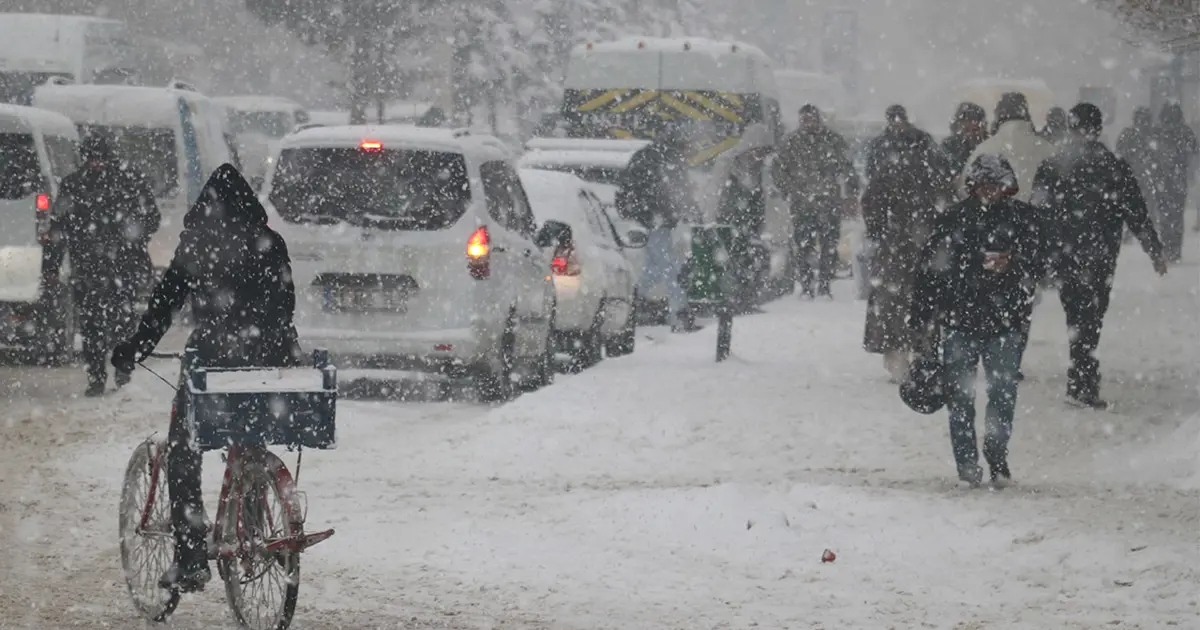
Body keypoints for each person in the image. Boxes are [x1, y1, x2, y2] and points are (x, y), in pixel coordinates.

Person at [110, 164, 302, 593]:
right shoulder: (271, 242)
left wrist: (135, 347)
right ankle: (251, 513)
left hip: (215, 360)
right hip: (264, 365)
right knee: (250, 431)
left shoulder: (199, 244)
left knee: (184, 450)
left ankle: (191, 556)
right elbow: (285, 306)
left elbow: (164, 305)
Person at [910, 154, 1045, 487]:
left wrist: (1012, 264)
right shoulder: (954, 220)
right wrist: (922, 318)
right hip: (965, 321)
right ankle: (968, 465)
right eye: (983, 185)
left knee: (1001, 396)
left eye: (994, 185)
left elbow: (1042, 262)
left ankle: (996, 458)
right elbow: (930, 272)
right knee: (963, 399)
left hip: (1001, 322)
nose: (989, 191)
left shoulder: (1022, 219)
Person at [1031, 103, 1169, 409]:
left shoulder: (1053, 165)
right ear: (1097, 129)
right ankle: (1083, 379)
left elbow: (1038, 212)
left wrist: (1038, 251)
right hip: (1100, 254)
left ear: (1071, 128)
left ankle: (1081, 376)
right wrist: (1153, 249)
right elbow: (1135, 210)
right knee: (1091, 316)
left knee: (1077, 314)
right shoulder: (1113, 166)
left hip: (1067, 254)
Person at [43, 132, 160, 397]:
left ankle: (121, 373)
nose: (97, 164)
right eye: (92, 159)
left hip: (121, 266)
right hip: (90, 268)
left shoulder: (128, 182)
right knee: (92, 325)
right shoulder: (75, 185)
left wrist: (132, 239)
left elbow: (151, 218)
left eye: (101, 159)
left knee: (122, 322)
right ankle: (97, 376)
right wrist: (51, 266)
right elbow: (58, 228)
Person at [862, 104, 944, 381]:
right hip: (929, 246)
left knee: (893, 303)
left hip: (896, 246)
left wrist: (879, 230)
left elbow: (871, 202)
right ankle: (925, 354)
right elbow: (949, 204)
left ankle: (898, 359)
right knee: (927, 300)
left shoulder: (890, 170)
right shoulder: (935, 172)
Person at [616, 122, 701, 332]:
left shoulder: (650, 156)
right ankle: (679, 314)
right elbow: (673, 191)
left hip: (649, 219)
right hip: (655, 220)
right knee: (671, 267)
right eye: (685, 145)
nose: (688, 150)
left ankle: (634, 302)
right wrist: (685, 211)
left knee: (654, 267)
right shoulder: (665, 160)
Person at [773, 104, 860, 298]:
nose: (808, 123)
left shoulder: (833, 140)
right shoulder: (791, 142)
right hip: (802, 204)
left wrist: (851, 194)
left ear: (818, 119)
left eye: (811, 119)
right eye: (805, 119)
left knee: (829, 246)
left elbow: (848, 168)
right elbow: (778, 170)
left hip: (829, 203)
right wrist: (788, 190)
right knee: (803, 246)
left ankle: (825, 285)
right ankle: (806, 285)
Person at [960, 92, 1055, 205]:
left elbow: (964, 190)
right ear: (1026, 113)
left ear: (998, 115)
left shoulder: (983, 150)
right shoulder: (1047, 149)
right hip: (1039, 214)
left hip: (994, 214)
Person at [1152, 103, 1197, 262]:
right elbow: (1194, 150)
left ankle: (1167, 248)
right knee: (1176, 216)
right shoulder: (1185, 131)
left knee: (1165, 215)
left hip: (1162, 180)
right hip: (1178, 180)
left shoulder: (1158, 131)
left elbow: (1150, 154)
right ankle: (1175, 250)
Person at [1116, 107, 1160, 231]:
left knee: (1137, 205)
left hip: (1139, 176)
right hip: (1142, 175)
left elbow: (1120, 153)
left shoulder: (1130, 134)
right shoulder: (1151, 136)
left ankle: (1136, 229)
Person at [939, 102, 989, 196]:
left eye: (975, 130)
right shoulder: (949, 146)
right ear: (957, 128)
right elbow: (941, 177)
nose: (971, 134)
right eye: (966, 130)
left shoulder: (990, 145)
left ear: (983, 127)